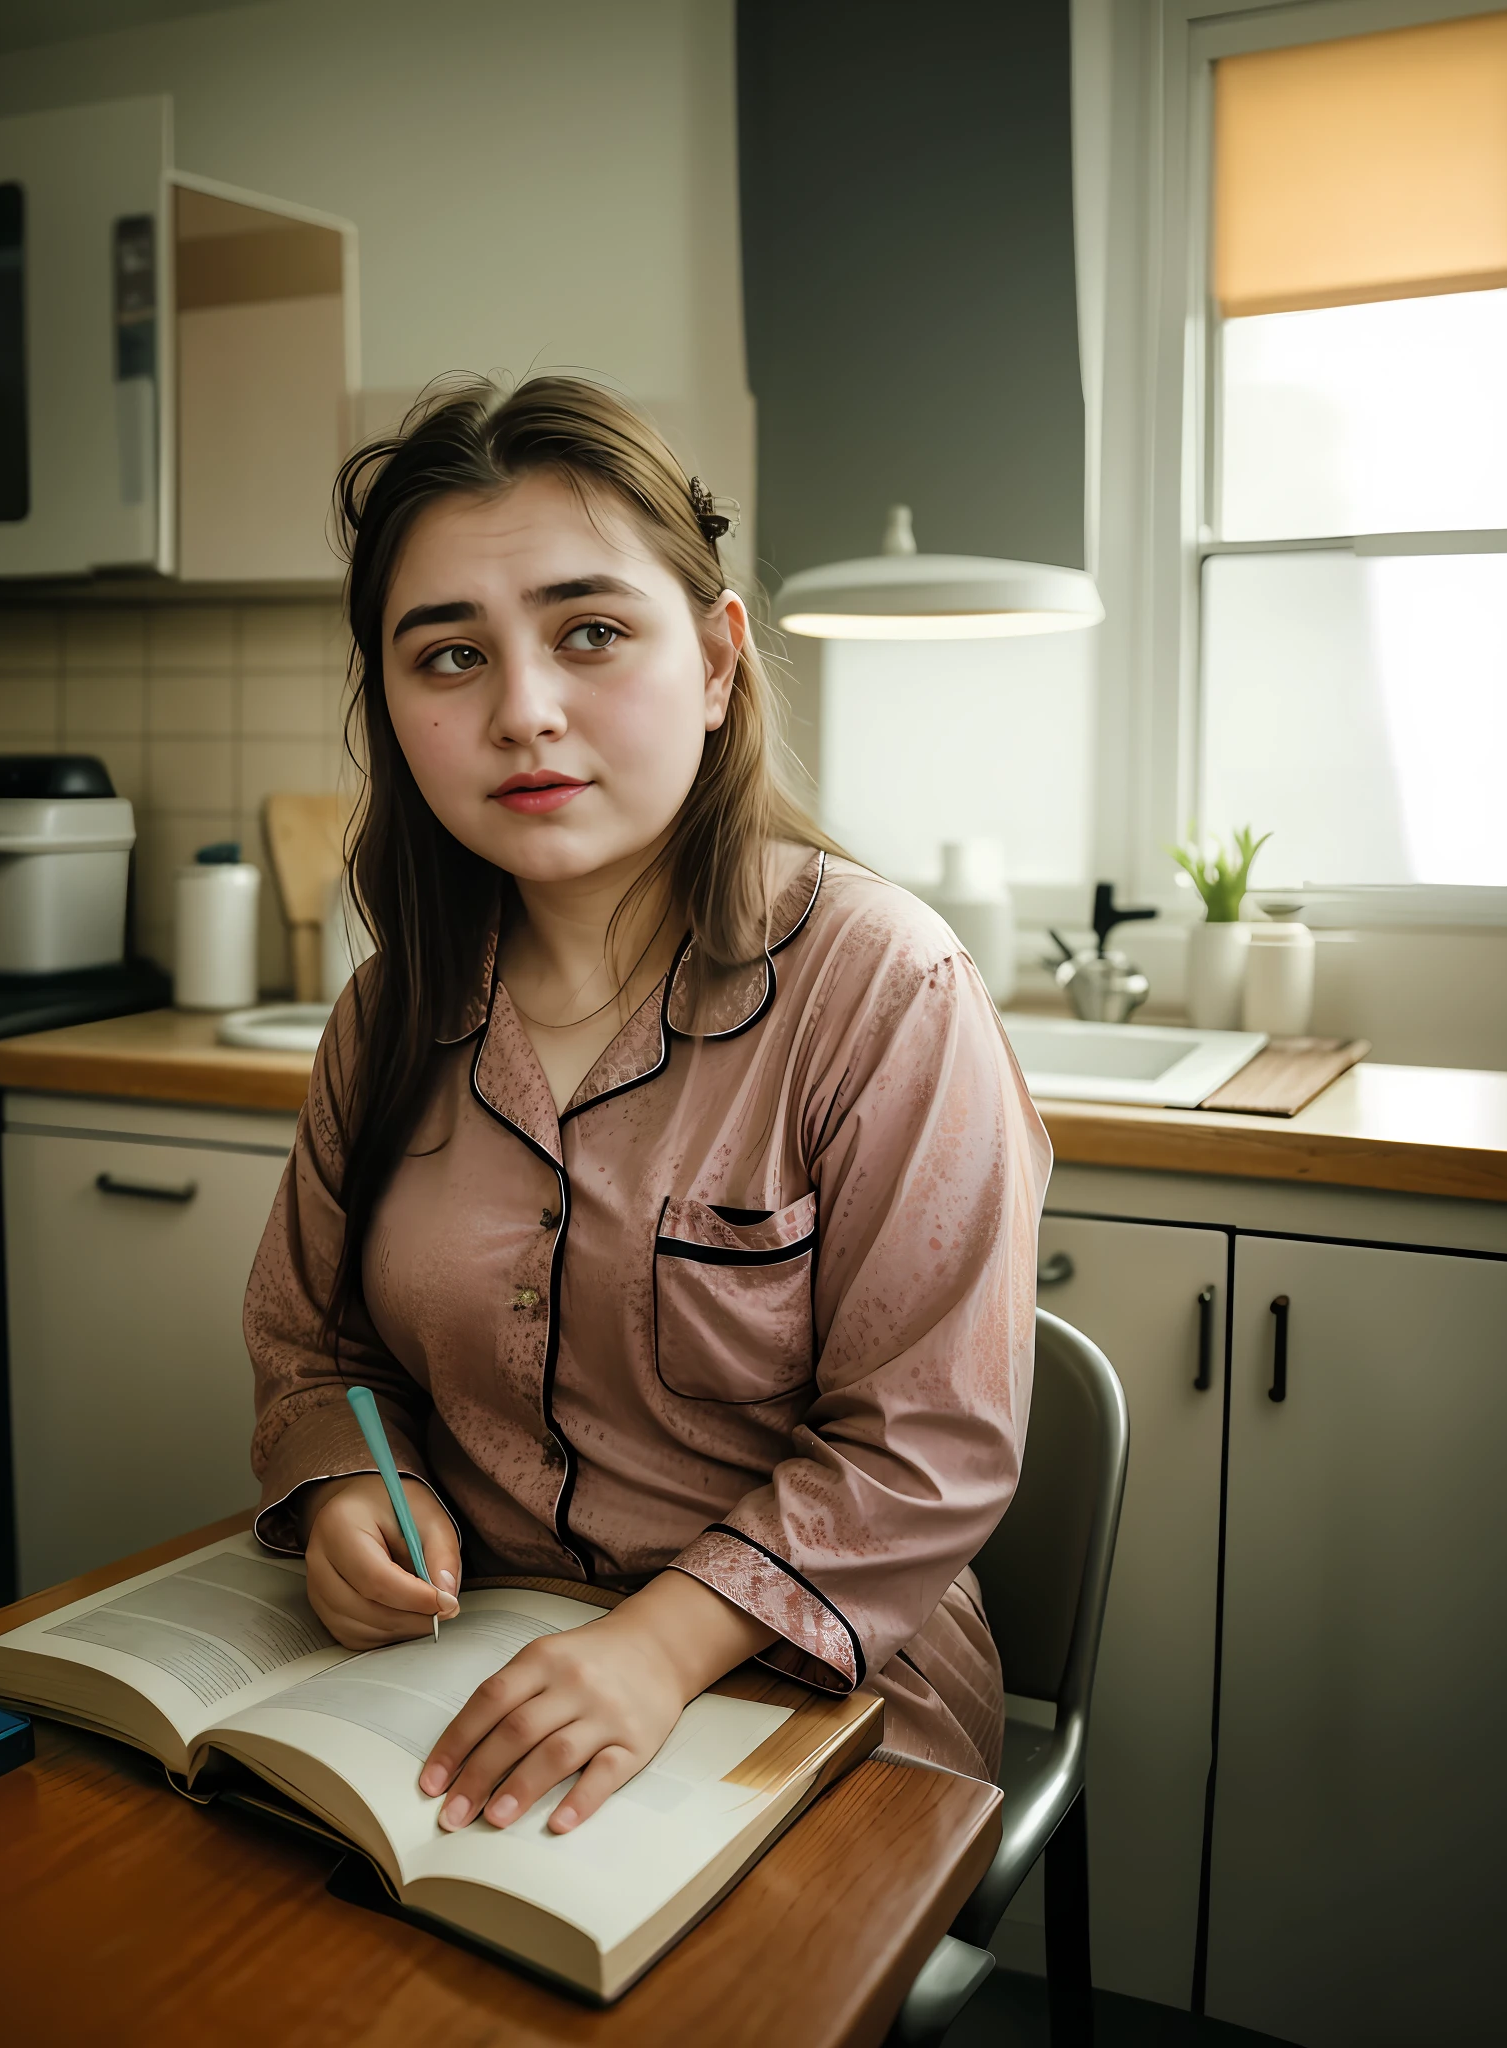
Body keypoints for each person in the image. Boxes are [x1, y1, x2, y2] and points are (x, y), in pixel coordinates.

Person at [244, 375, 1049, 1843]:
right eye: (447, 657)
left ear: (719, 659)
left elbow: (927, 1446)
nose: (523, 713)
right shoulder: (387, 1018)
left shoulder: (882, 988)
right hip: (457, 1668)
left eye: (592, 633)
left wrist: (656, 1648)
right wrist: (354, 1491)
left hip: (818, 1691)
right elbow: (316, 1347)